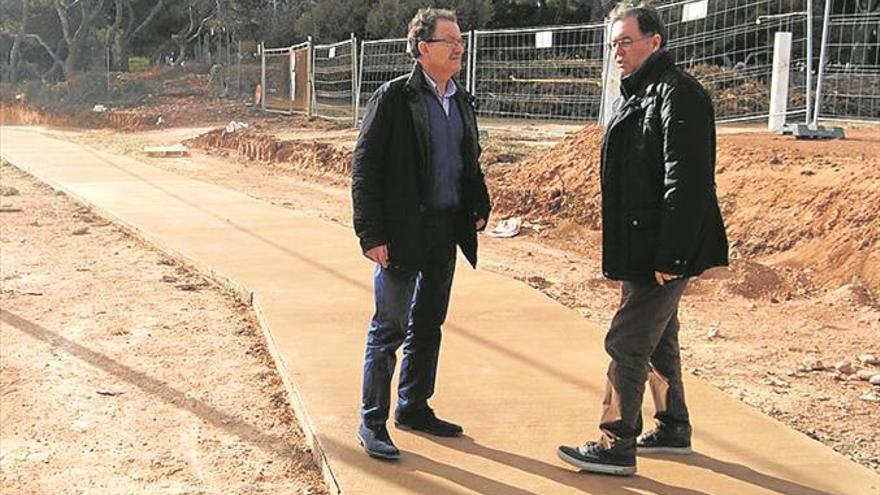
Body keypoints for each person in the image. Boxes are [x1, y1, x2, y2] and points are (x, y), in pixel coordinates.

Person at [557, 2, 728, 476]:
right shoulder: (638, 94)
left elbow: (687, 182)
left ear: (655, 42)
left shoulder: (679, 95)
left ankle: (615, 443)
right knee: (658, 340)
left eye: (626, 41)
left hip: (664, 249)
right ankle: (673, 425)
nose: (617, 50)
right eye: (613, 42)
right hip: (642, 247)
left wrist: (672, 254)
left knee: (627, 341)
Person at [351, 7, 492, 460]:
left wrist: (478, 203)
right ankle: (372, 422)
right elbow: (365, 168)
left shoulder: (461, 99)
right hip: (402, 232)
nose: (459, 48)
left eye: (461, 41)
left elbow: (468, 161)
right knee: (389, 328)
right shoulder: (394, 99)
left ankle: (413, 406)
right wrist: (371, 233)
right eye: (449, 40)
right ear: (422, 48)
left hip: (445, 229)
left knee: (428, 324)